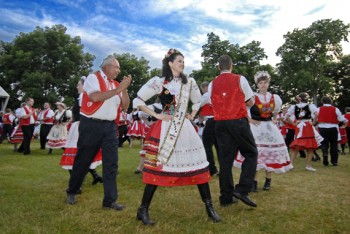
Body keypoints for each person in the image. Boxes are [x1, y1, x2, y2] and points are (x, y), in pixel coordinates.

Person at [133, 48, 221, 225]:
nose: (182, 63)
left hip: (185, 128)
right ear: (170, 63)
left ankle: (209, 207)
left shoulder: (190, 82)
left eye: (183, 60)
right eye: (179, 60)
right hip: (166, 128)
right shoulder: (159, 82)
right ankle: (143, 209)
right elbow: (138, 100)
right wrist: (156, 115)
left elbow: (198, 100)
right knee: (158, 168)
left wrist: (193, 113)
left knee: (198, 165)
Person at [65, 55, 131, 211]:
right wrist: (118, 89)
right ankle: (72, 191)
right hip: (91, 124)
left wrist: (125, 90)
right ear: (107, 67)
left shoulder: (116, 85)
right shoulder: (93, 78)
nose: (118, 71)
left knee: (111, 163)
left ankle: (110, 200)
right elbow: (94, 97)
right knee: (83, 160)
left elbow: (125, 107)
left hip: (109, 127)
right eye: (117, 67)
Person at [208, 54, 258, 208]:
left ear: (218, 67)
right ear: (231, 65)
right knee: (251, 153)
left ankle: (226, 197)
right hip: (238, 120)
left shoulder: (212, 83)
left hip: (220, 123)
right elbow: (250, 100)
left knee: (225, 160)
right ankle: (242, 189)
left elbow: (212, 103)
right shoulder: (240, 79)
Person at [234, 71, 292, 192]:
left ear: (268, 83)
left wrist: (275, 119)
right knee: (256, 153)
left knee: (270, 152)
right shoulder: (253, 97)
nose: (263, 85)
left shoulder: (274, 98)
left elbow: (276, 112)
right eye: (261, 83)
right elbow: (243, 109)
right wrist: (250, 120)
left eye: (265, 82)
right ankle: (254, 181)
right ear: (257, 84)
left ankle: (268, 179)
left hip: (269, 127)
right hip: (256, 128)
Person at [60, 77, 103, 185]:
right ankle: (95, 176)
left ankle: (76, 181)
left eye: (79, 84)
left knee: (77, 153)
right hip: (79, 126)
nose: (77, 86)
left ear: (84, 86)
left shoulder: (83, 97)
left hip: (80, 127)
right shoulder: (82, 97)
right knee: (83, 153)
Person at [286, 93, 323, 171]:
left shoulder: (294, 107)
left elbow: (287, 116)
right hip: (308, 126)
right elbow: (317, 114)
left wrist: (293, 123)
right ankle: (308, 165)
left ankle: (290, 164)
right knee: (310, 146)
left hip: (299, 126)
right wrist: (313, 123)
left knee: (296, 146)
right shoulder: (311, 106)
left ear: (299, 98)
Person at [314, 96, 348, 166]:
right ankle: (334, 161)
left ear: (322, 102)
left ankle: (325, 154)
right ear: (331, 101)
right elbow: (341, 119)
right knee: (334, 144)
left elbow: (315, 118)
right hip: (333, 127)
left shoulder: (318, 109)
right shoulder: (336, 109)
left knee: (324, 143)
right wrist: (344, 124)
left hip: (322, 127)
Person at [200, 81, 220, 176]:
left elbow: (198, 104)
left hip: (211, 120)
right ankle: (223, 169)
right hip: (218, 120)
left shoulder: (207, 95)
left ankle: (212, 169)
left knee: (207, 145)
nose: (203, 89)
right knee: (219, 146)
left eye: (204, 87)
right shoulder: (217, 94)